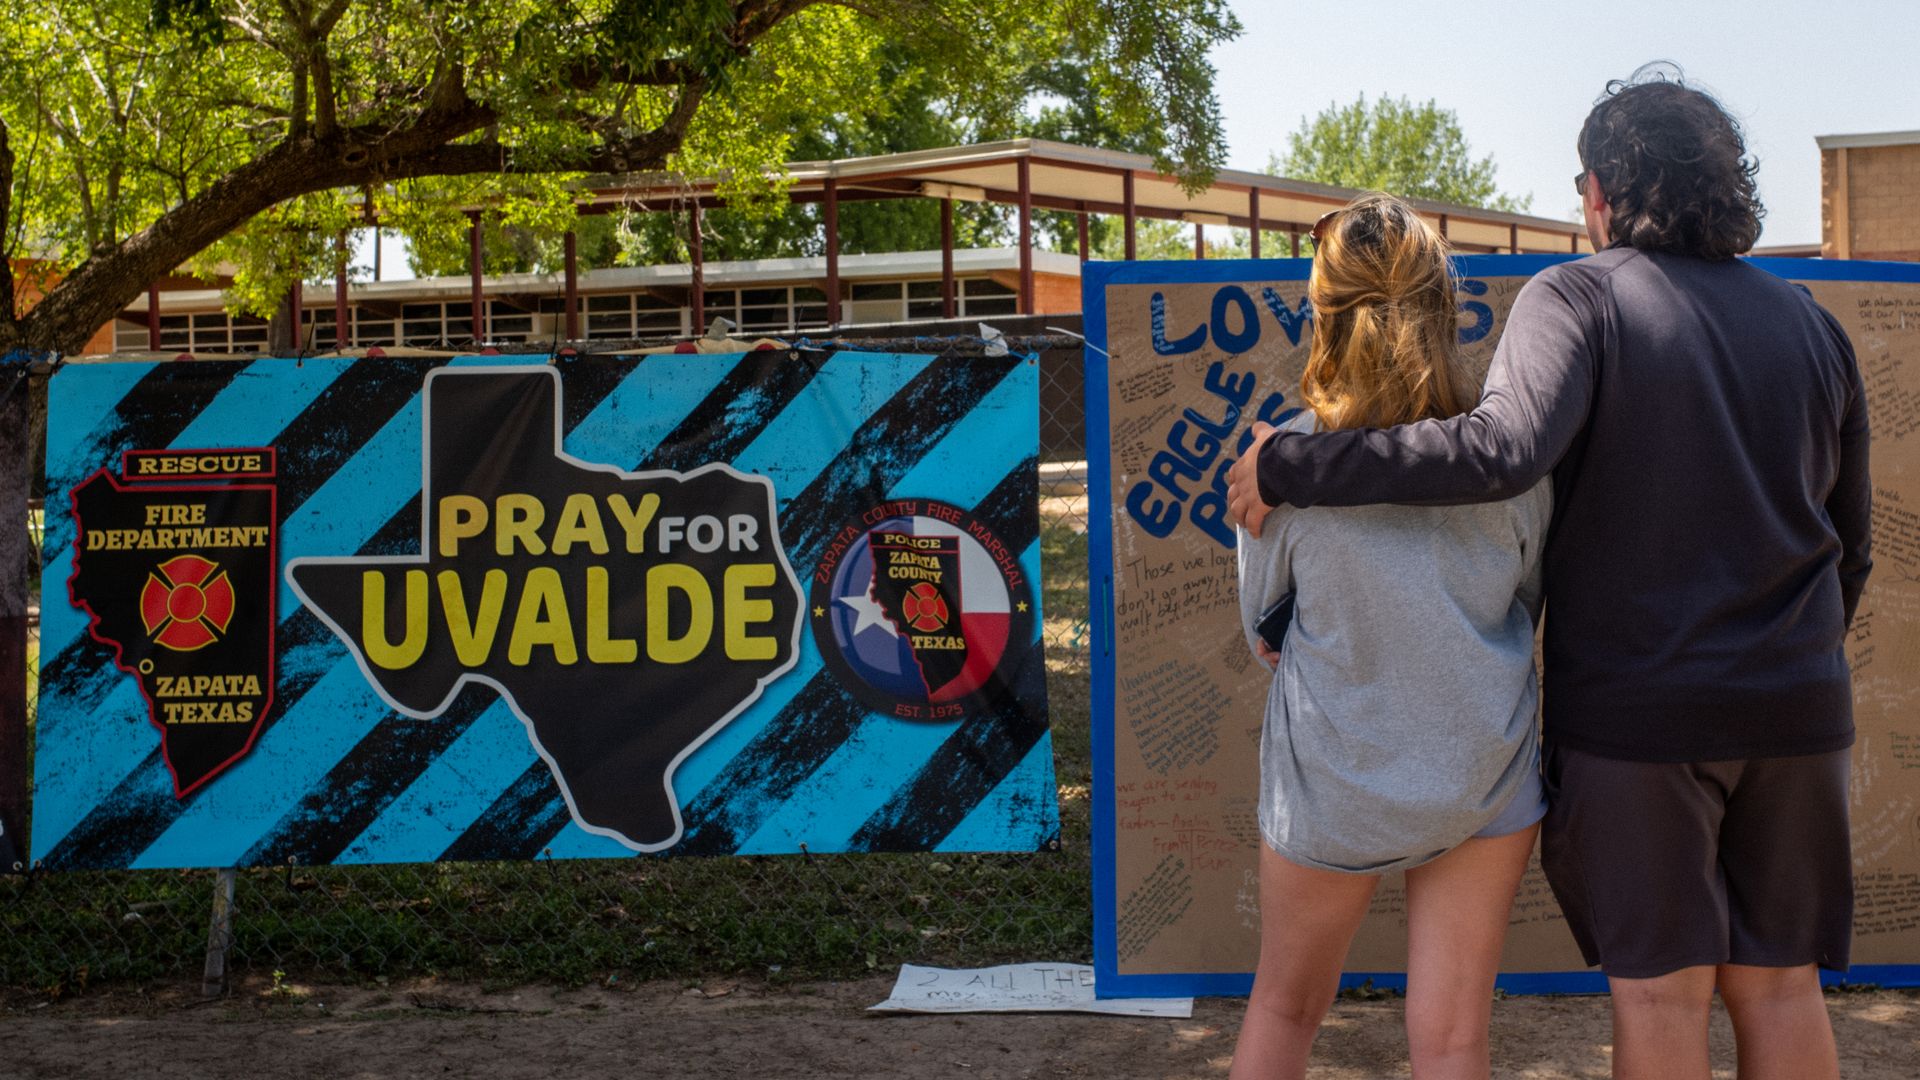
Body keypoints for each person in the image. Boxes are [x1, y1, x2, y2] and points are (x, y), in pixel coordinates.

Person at [1226, 66, 1869, 1080]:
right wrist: (1791, 661)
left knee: (1661, 997)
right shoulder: (1816, 331)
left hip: (1640, 718)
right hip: (1798, 710)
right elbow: (1853, 544)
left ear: (1604, 192)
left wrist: (1292, 461)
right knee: (1782, 987)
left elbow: (1498, 452)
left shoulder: (1577, 296)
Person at [1229, 192, 1552, 1080]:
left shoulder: (1279, 464)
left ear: (1321, 314)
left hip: (1335, 779)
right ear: (1445, 308)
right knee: (1451, 1040)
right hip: (1482, 777)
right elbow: (1528, 599)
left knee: (1285, 1009)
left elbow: (1263, 628)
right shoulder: (1514, 468)